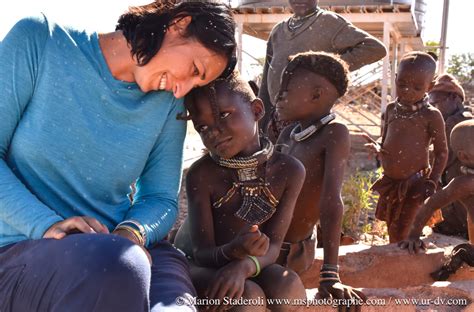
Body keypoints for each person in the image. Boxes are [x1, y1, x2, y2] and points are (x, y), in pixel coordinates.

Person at [0, 2, 236, 311]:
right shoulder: (41, 40)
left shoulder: (167, 104)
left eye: (196, 84)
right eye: (194, 70)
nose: (183, 91)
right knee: (119, 267)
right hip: (24, 250)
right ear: (179, 24)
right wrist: (46, 225)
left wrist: (131, 233)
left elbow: (161, 198)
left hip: (124, 250)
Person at [173, 74, 307, 312]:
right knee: (248, 299)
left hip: (251, 264)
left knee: (289, 288)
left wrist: (243, 266)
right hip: (200, 265)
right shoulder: (202, 175)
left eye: (223, 115)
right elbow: (201, 253)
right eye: (202, 127)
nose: (213, 132)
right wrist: (233, 251)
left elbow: (274, 247)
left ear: (256, 110)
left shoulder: (289, 171)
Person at [275, 51, 365, 305]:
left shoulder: (334, 133)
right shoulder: (289, 133)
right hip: (267, 242)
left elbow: (331, 201)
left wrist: (330, 274)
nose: (279, 95)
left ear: (317, 95)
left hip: (289, 251)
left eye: (287, 89)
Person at [258, 0, 387, 141]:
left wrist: (326, 69)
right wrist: (260, 123)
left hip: (308, 119)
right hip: (277, 118)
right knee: (275, 161)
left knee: (303, 159)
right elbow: (266, 82)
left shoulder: (328, 23)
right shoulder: (278, 31)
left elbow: (375, 49)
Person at [367, 52, 448, 244]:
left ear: (430, 86)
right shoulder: (391, 109)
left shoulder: (431, 116)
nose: (407, 90)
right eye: (402, 84)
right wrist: (378, 146)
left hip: (416, 183)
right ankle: (400, 267)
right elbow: (385, 138)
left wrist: (432, 181)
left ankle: (406, 267)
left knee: (404, 231)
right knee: (393, 230)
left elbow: (442, 152)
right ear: (395, 79)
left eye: (417, 87)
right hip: (391, 183)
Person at [399, 121, 474, 279]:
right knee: (464, 252)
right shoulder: (465, 184)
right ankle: (445, 272)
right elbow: (430, 204)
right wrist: (413, 235)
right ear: (464, 156)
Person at [429, 74, 473, 238]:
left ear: (453, 97)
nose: (432, 108)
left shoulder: (458, 122)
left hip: (459, 216)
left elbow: (440, 158)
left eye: (435, 103)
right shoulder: (448, 120)